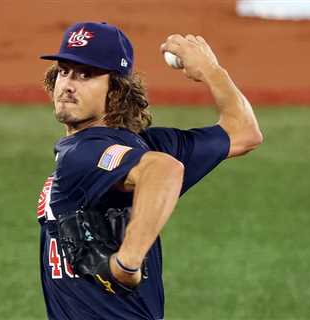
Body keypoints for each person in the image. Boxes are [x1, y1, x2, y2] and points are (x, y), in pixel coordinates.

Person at [36, 22, 262, 320]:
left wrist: (127, 262)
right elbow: (244, 132)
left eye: (86, 75)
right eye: (64, 71)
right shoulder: (151, 144)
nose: (68, 84)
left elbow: (163, 169)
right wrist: (212, 71)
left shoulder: (82, 153)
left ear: (116, 91)